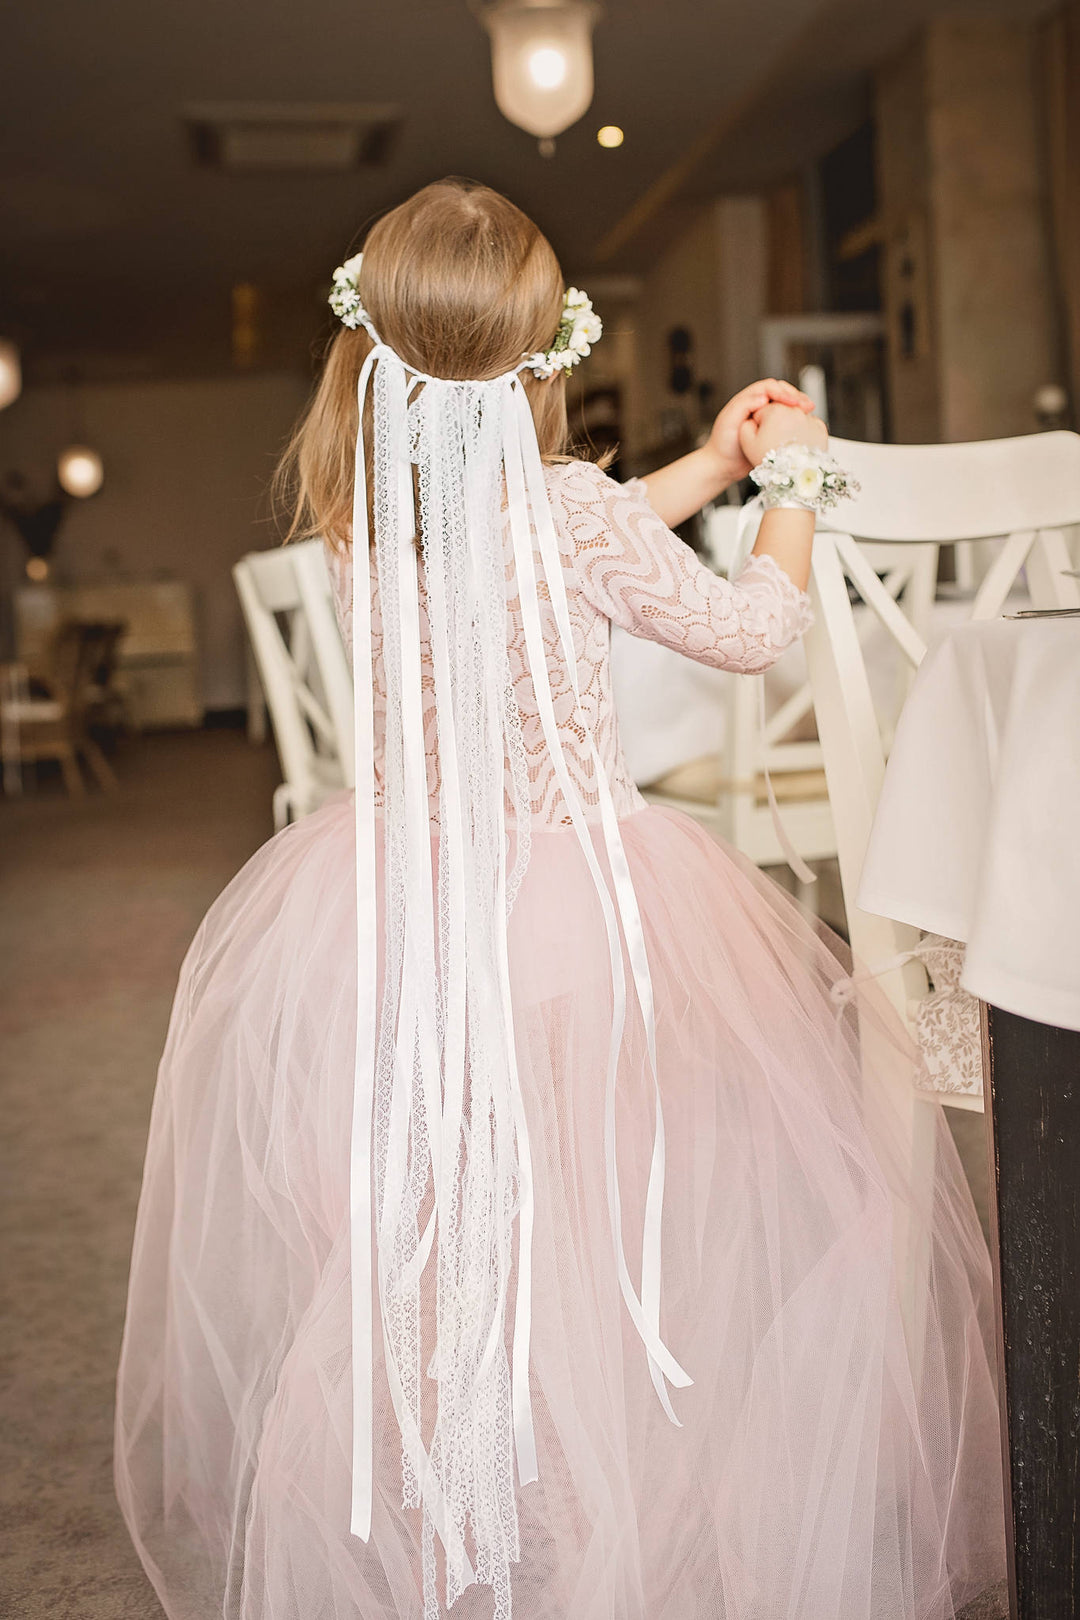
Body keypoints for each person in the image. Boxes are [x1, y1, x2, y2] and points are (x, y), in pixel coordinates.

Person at [115, 178, 1006, 1620]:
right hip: (577, 914)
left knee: (458, 1227)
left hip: (401, 916)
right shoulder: (566, 512)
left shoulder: (364, 519)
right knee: (604, 1211)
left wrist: (702, 468)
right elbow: (751, 629)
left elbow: (568, 533)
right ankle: (595, 1497)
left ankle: (471, 1501)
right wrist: (789, 486)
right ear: (545, 354)